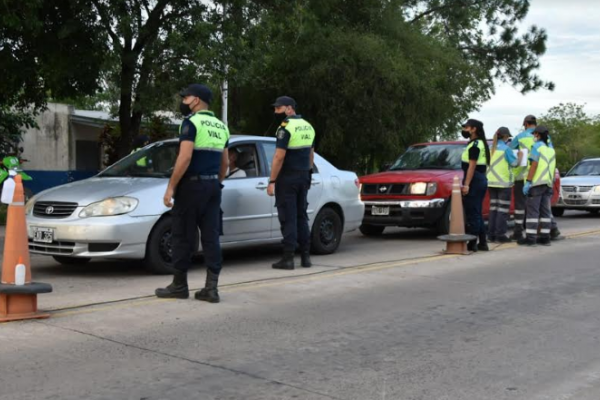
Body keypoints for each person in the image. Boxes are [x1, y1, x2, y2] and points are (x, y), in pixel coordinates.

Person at [155, 84, 229, 303]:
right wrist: (216, 183)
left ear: (196, 100)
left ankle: (179, 285)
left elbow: (185, 157)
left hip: (191, 187)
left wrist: (171, 187)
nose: (184, 102)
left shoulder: (191, 123)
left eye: (186, 98)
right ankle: (211, 289)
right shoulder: (221, 126)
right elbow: (224, 162)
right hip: (213, 187)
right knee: (211, 236)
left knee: (182, 235)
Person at [267, 96, 315, 270]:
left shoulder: (285, 127)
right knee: (301, 216)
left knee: (288, 217)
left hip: (287, 178)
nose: (275, 112)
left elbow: (279, 156)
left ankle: (288, 258)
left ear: (289, 109)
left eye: (278, 109)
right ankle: (306, 257)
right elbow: (311, 154)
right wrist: (309, 173)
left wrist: (272, 180)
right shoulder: (308, 126)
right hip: (303, 176)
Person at [518, 125, 556, 246]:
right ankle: (545, 237)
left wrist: (528, 181)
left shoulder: (536, 147)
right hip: (548, 183)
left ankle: (531, 238)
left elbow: (534, 165)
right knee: (545, 212)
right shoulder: (550, 149)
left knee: (532, 212)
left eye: (535, 134)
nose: (533, 136)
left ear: (538, 135)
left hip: (536, 184)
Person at [461, 119, 490, 252]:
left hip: (475, 179)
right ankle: (483, 242)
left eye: (466, 127)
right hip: (479, 179)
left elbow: (471, 166)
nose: (464, 130)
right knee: (477, 212)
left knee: (473, 213)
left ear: (474, 129)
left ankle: (472, 243)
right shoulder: (478, 143)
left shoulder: (475, 145)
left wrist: (466, 184)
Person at [487, 127, 518, 243]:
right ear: (505, 137)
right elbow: (514, 164)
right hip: (503, 184)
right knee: (502, 210)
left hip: (491, 182)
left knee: (493, 209)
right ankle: (500, 235)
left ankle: (491, 235)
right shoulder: (506, 149)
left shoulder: (490, 148)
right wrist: (519, 157)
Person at [509, 115, 537, 240]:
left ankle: (518, 232)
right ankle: (544, 231)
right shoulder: (543, 136)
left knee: (520, 206)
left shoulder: (520, 137)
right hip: (538, 175)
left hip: (521, 176)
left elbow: (510, 152)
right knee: (536, 206)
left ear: (525, 123)